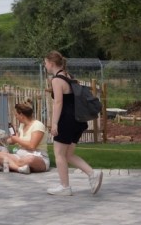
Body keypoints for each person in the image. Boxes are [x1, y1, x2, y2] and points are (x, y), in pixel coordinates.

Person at [44, 51, 103, 196]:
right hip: (77, 121)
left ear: (51, 63)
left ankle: (65, 187)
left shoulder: (56, 80)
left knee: (59, 154)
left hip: (66, 120)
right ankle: (92, 173)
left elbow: (58, 102)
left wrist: (54, 123)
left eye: (45, 63)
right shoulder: (68, 76)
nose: (45, 66)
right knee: (68, 155)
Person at [0, 99, 49, 174]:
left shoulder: (38, 125)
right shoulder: (22, 126)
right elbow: (14, 140)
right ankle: (19, 168)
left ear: (22, 115)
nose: (16, 117)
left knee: (30, 159)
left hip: (37, 155)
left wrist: (16, 139)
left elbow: (32, 146)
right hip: (21, 154)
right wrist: (1, 141)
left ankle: (12, 164)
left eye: (16, 115)